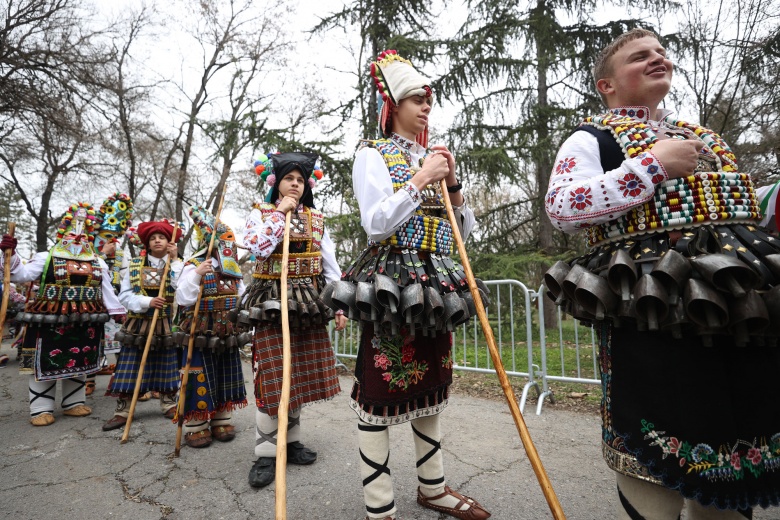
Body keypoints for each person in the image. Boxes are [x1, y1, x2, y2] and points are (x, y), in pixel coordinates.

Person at [544, 28, 780, 519]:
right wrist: (652, 166)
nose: (657, 59)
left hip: (732, 305)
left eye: (661, 53)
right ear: (606, 84)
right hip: (648, 303)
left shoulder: (706, 137)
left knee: (733, 441)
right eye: (639, 56)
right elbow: (563, 208)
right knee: (654, 425)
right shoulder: (593, 138)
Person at [329, 50, 490, 520]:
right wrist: (421, 179)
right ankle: (380, 507)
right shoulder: (372, 154)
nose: (425, 107)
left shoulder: (432, 157)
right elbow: (376, 224)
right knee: (380, 389)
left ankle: (433, 487)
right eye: (416, 99)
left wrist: (452, 183)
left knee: (433, 385)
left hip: (436, 285)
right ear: (393, 105)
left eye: (428, 100)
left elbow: (461, 233)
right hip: (391, 286)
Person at [239, 151, 346, 488]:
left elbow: (329, 265)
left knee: (296, 374)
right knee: (272, 376)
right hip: (271, 304)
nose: (295, 184)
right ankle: (267, 454)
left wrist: (340, 305)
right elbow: (257, 248)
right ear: (277, 183)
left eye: (300, 180)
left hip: (307, 305)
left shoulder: (317, 219)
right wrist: (280, 213)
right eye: (289, 178)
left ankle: (292, 441)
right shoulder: (261, 213)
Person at [0, 203, 126, 425]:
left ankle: (73, 403)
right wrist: (10, 252)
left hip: (85, 321)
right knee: (45, 363)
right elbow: (20, 274)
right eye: (71, 231)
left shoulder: (96, 262)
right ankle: (40, 409)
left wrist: (118, 313)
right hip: (48, 321)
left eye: (82, 232)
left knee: (79, 361)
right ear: (61, 233)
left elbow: (106, 290)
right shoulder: (46, 257)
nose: (77, 236)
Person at [173, 205, 248, 448]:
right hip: (200, 329)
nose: (228, 245)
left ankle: (221, 420)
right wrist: (196, 274)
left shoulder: (233, 268)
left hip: (227, 330)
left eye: (230, 241)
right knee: (199, 374)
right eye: (224, 241)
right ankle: (196, 425)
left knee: (225, 372)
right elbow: (183, 298)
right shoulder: (192, 264)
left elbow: (242, 296)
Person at [102, 220, 183, 431]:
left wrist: (174, 260)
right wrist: (147, 302)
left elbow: (182, 290)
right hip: (137, 324)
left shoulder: (179, 265)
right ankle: (123, 410)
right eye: (153, 238)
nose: (157, 241)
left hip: (165, 323)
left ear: (169, 242)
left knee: (167, 364)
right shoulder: (135, 265)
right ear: (147, 243)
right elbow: (125, 296)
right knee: (130, 365)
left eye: (162, 237)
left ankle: (169, 403)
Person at [86, 192, 133, 395]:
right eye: (104, 236)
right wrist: (103, 253)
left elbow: (127, 276)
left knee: (119, 341)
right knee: (90, 342)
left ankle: (120, 379)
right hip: (91, 303)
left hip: (114, 304)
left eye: (112, 237)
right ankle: (88, 381)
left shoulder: (122, 253)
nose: (110, 241)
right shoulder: (88, 250)